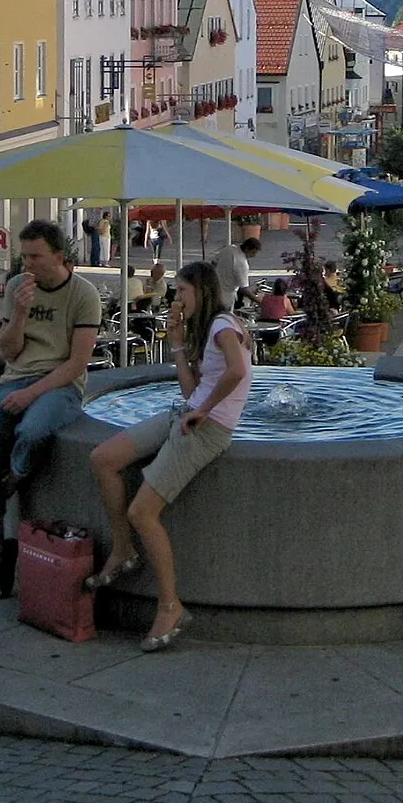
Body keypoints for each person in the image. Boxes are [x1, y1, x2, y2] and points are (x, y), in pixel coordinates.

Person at [85, 261, 248, 651]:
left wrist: (205, 410)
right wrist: (176, 341)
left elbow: (238, 370)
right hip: (185, 415)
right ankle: (123, 549)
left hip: (206, 430)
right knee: (103, 458)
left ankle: (170, 607)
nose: (177, 299)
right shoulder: (207, 329)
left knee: (142, 511)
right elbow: (190, 388)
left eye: (181, 292)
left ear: (201, 291)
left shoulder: (224, 325)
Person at [0, 219, 100, 599]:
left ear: (59, 256)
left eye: (36, 257)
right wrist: (21, 313)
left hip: (60, 384)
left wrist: (31, 395)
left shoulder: (83, 293)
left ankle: (14, 478)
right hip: (14, 378)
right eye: (24, 256)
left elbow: (77, 364)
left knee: (32, 431)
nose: (28, 264)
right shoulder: (16, 288)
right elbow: (6, 352)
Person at [211, 234, 253, 313]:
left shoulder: (229, 248)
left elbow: (214, 261)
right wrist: (259, 301)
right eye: (253, 252)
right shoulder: (242, 263)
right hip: (228, 294)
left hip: (215, 289)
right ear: (248, 249)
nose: (254, 255)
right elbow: (244, 288)